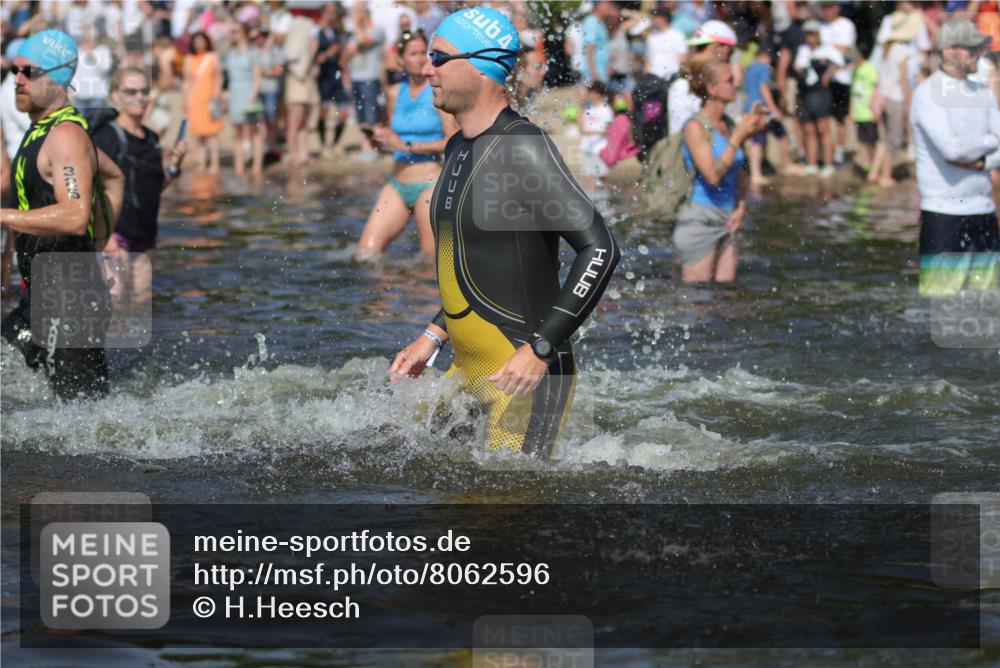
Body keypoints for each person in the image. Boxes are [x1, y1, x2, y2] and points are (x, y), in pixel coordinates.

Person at [390, 6, 620, 457]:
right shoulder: (459, 146)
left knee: (508, 501)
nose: (426, 68)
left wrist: (541, 348)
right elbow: (477, 262)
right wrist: (432, 335)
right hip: (469, 371)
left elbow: (600, 249)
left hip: (522, 375)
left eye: (439, 57)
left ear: (481, 66)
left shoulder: (521, 147)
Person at [0, 30, 125, 400]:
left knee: (84, 415)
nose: (17, 80)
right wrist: (9, 252)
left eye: (29, 72)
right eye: (14, 70)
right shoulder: (42, 130)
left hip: (72, 301)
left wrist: (94, 244)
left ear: (57, 78)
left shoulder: (66, 135)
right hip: (41, 294)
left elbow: (73, 215)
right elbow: (114, 177)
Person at [910, 18, 1000, 296]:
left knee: (988, 304)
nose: (978, 54)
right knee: (940, 307)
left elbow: (965, 151)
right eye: (971, 49)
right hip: (944, 215)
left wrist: (982, 162)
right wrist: (991, 142)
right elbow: (952, 150)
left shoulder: (982, 92)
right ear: (948, 51)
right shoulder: (927, 94)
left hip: (984, 212)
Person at [355, 29, 458, 260]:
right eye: (413, 54)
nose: (420, 59)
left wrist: (408, 146)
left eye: (424, 53)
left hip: (429, 185)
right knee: (365, 255)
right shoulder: (394, 93)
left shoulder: (438, 91)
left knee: (430, 261)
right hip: (397, 183)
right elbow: (394, 136)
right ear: (400, 59)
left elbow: (453, 141)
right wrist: (379, 139)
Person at [94, 67, 187, 313]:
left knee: (141, 306)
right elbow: (92, 188)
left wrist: (175, 166)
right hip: (116, 236)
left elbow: (152, 189)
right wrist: (107, 237)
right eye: (131, 92)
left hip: (146, 237)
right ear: (115, 96)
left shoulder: (151, 138)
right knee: (114, 304)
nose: (139, 97)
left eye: (144, 92)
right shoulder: (106, 136)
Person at [674, 58, 767, 283]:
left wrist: (741, 205)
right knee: (698, 296)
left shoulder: (728, 124)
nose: (736, 84)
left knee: (726, 294)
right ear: (712, 89)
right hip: (700, 219)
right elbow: (713, 177)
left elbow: (739, 172)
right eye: (730, 80)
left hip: (729, 217)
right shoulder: (694, 127)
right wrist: (738, 137)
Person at [668, 20, 738, 136]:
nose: (728, 61)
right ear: (718, 48)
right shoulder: (685, 85)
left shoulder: (685, 82)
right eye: (729, 54)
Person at [793, 19, 843, 177]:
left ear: (818, 35)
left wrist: (827, 73)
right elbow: (797, 67)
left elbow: (840, 61)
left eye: (813, 34)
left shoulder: (826, 49)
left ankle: (828, 164)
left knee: (823, 130)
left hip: (821, 94)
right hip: (806, 94)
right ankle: (812, 163)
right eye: (808, 34)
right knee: (809, 130)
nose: (810, 38)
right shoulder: (802, 50)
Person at [870, 27, 913, 187]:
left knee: (884, 139)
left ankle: (874, 173)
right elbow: (903, 79)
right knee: (893, 139)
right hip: (895, 97)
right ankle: (886, 176)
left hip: (882, 97)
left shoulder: (881, 49)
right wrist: (909, 101)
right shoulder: (901, 50)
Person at [342, 2, 385, 162]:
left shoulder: (377, 30)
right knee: (361, 117)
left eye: (356, 12)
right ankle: (365, 148)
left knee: (372, 116)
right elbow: (345, 57)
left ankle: (374, 148)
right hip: (356, 78)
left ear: (364, 13)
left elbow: (363, 41)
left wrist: (355, 26)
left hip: (370, 78)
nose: (353, 16)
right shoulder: (355, 32)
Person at [743, 42, 791, 185]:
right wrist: (774, 109)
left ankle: (759, 171)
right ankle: (758, 173)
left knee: (759, 139)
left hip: (750, 107)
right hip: (761, 108)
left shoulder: (750, 68)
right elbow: (764, 88)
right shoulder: (763, 67)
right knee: (764, 139)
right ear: (765, 56)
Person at [817, 0, 857, 166]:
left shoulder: (846, 25)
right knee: (825, 118)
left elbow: (844, 51)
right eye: (824, 7)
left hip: (841, 78)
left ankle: (839, 152)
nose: (827, 11)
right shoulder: (821, 26)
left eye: (830, 6)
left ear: (837, 7)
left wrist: (829, 70)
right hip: (824, 79)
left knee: (840, 118)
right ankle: (828, 152)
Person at [224, 23, 265, 178]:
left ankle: (257, 167)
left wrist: (253, 96)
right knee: (237, 133)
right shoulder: (230, 53)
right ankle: (239, 167)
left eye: (235, 31)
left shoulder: (253, 52)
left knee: (254, 131)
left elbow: (257, 77)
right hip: (235, 93)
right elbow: (227, 77)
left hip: (248, 92)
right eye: (231, 31)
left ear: (244, 33)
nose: (232, 34)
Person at [183, 31, 223, 174]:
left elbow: (219, 76)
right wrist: (186, 99)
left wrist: (217, 93)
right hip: (195, 99)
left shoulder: (212, 57)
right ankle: (201, 163)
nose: (199, 44)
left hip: (209, 99)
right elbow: (187, 81)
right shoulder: (189, 59)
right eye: (197, 42)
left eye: (202, 41)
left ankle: (215, 164)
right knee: (198, 134)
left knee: (212, 133)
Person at [283, 13, 319, 167]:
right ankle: (293, 154)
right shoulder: (294, 46)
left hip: (307, 82)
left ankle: (303, 153)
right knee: (295, 121)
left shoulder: (308, 42)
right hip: (297, 83)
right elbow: (295, 61)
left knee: (305, 122)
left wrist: (312, 50)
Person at [315, 3, 350, 154]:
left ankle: (335, 144)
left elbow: (343, 54)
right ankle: (324, 145)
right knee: (324, 111)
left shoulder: (337, 31)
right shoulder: (316, 31)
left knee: (344, 112)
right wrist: (328, 53)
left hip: (337, 75)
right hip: (324, 77)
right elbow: (313, 56)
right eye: (330, 12)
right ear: (323, 13)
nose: (332, 15)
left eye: (334, 12)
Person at [579, 80, 614, 191]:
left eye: (590, 92)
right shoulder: (589, 109)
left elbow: (609, 130)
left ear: (597, 93)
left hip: (600, 149)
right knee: (588, 177)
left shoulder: (606, 110)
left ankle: (606, 198)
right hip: (587, 147)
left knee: (602, 178)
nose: (588, 95)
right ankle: (591, 199)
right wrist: (581, 106)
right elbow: (581, 129)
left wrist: (592, 132)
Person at [850, 44, 880, 177]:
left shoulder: (870, 68)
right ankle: (868, 166)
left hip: (869, 112)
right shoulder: (855, 71)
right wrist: (851, 111)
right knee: (863, 141)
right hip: (859, 113)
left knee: (872, 141)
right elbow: (852, 93)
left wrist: (875, 110)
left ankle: (875, 166)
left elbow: (876, 89)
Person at [644, 4, 688, 80]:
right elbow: (648, 62)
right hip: (653, 79)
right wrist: (645, 79)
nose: (653, 19)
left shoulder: (677, 35)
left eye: (655, 17)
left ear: (664, 18)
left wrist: (680, 77)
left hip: (672, 78)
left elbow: (682, 59)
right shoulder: (651, 37)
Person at [581, 1, 617, 85]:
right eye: (607, 4)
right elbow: (589, 48)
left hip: (602, 71)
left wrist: (609, 62)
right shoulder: (591, 22)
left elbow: (601, 46)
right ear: (599, 5)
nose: (609, 7)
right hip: (595, 73)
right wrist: (593, 73)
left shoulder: (600, 22)